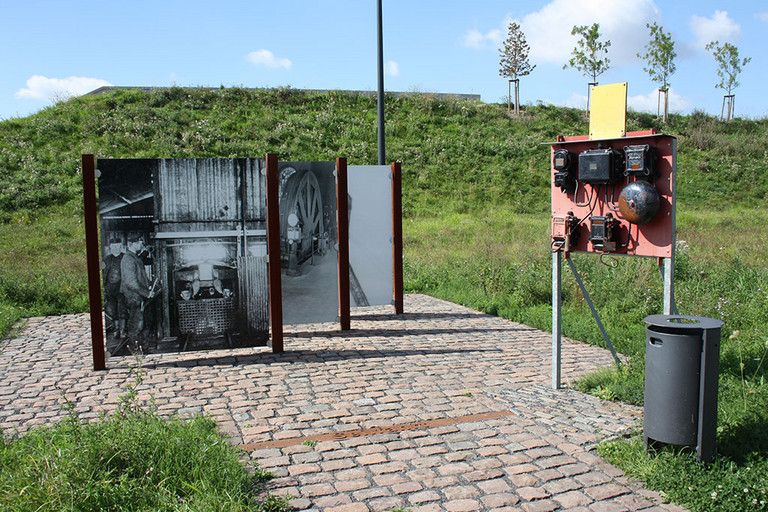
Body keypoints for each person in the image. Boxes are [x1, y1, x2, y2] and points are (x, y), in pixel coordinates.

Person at [120, 234, 155, 353]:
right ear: (132, 244)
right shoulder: (128, 259)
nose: (142, 245)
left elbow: (141, 276)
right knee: (137, 324)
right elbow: (131, 283)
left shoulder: (135, 257)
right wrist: (146, 293)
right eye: (140, 242)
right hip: (133, 297)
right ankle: (133, 350)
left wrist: (149, 286)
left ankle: (143, 347)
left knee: (144, 322)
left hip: (138, 297)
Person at [102, 236, 125, 346]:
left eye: (117, 246)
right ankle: (116, 329)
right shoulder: (106, 259)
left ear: (120, 247)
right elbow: (103, 274)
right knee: (112, 309)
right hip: (110, 289)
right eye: (113, 247)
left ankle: (123, 330)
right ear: (110, 248)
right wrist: (104, 287)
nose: (115, 248)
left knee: (122, 308)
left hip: (122, 288)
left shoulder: (125, 258)